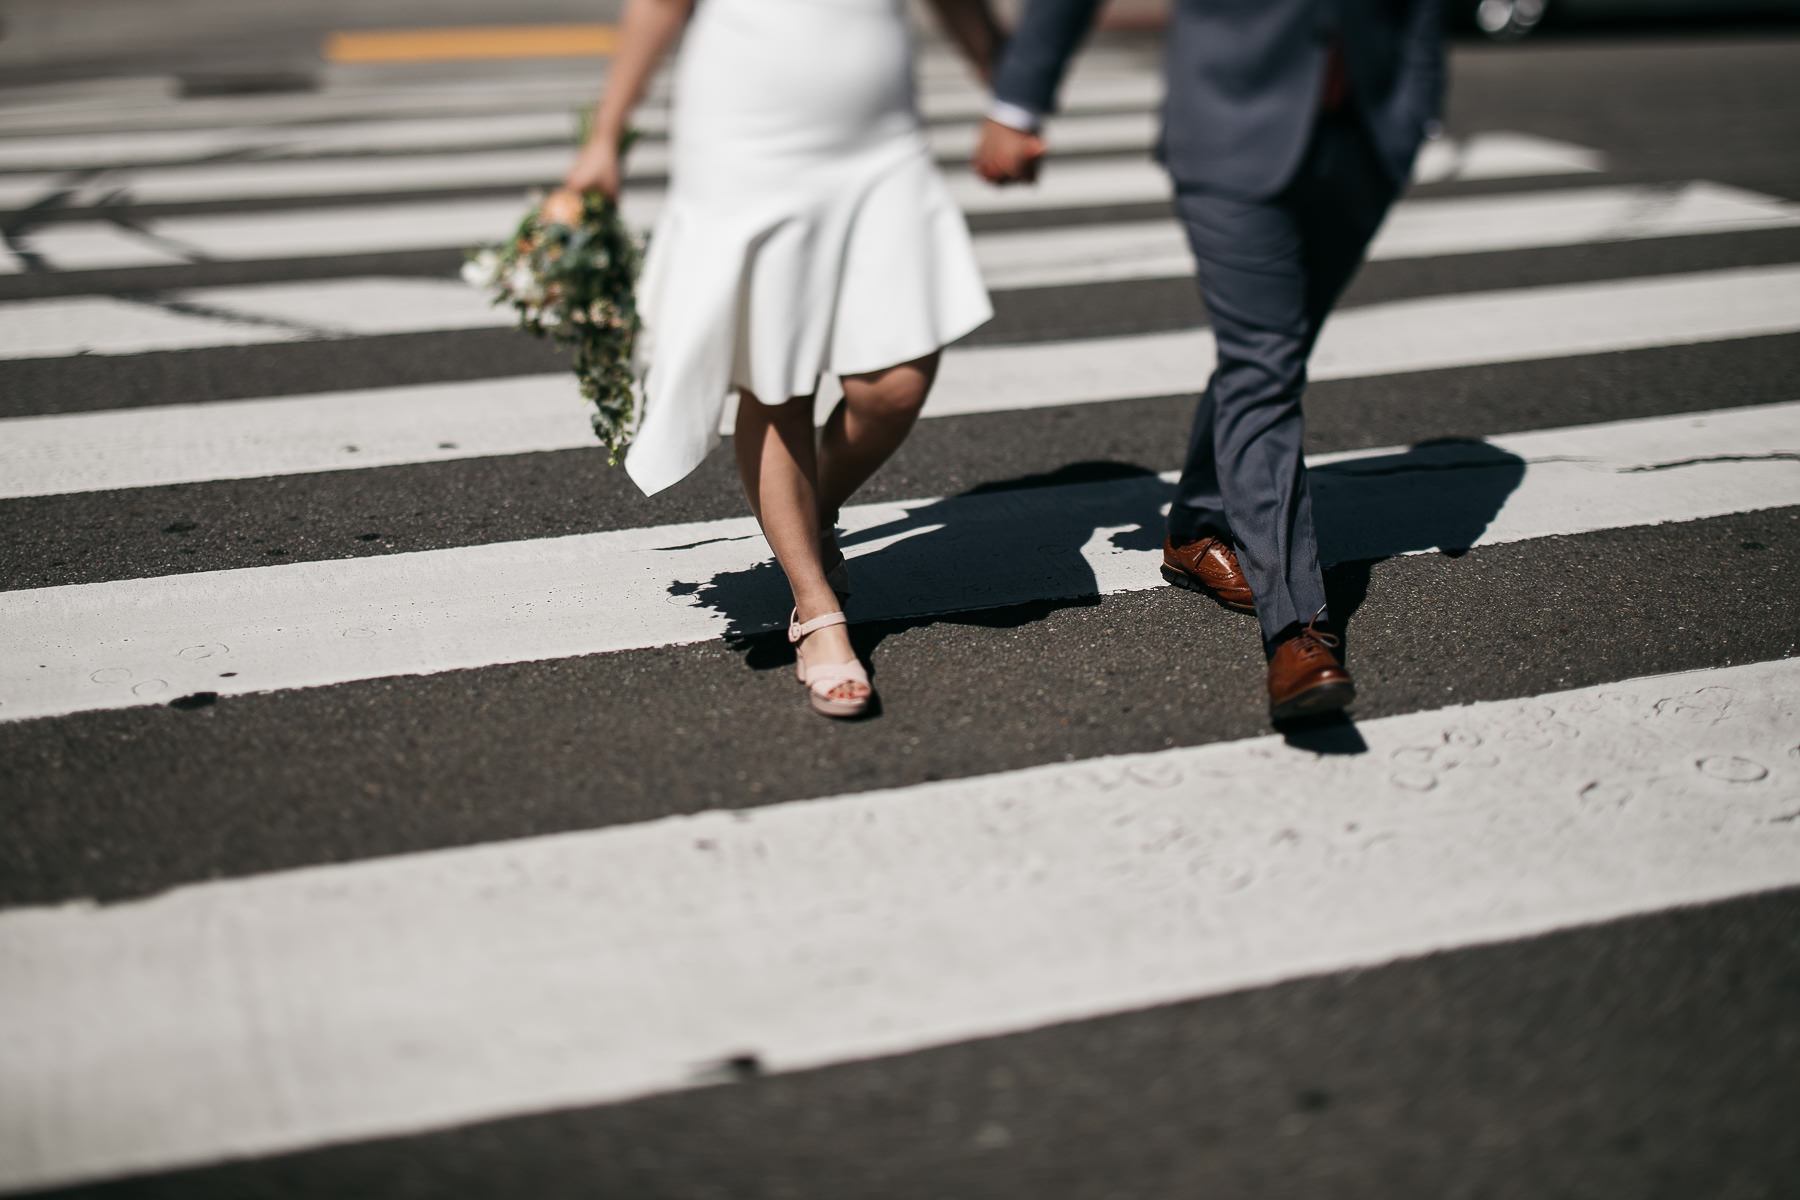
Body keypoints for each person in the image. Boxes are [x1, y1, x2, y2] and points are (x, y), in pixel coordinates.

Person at [975, 0, 1445, 722]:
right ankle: (1297, 631)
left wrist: (1411, 116)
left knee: (1272, 354)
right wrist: (1019, 101)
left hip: (1364, 137)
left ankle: (1196, 526)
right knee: (1265, 365)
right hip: (1231, 128)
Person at [562, 0, 1002, 718]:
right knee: (774, 377)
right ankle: (814, 605)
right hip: (748, 138)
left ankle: (807, 508)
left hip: (881, 143)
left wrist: (1011, 90)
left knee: (894, 385)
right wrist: (605, 134)